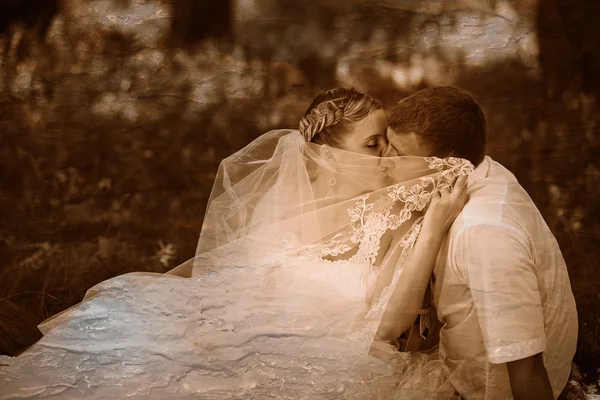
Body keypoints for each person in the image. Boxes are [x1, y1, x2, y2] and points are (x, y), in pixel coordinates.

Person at [0, 88, 473, 399]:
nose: (388, 156)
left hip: (321, 347)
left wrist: (432, 225)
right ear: (327, 155)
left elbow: (388, 327)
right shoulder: (284, 208)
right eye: (374, 144)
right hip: (254, 333)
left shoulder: (399, 213)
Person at [384, 86, 578, 400]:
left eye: (400, 154)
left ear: (448, 164)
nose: (385, 161)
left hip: (487, 389)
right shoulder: (482, 172)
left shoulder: (485, 233)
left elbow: (526, 371)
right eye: (388, 145)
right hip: (462, 357)